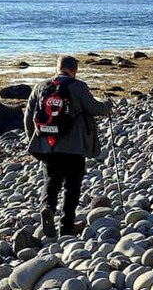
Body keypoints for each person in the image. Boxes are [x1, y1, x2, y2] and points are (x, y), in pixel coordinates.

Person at [24, 55, 110, 237]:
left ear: (57, 68)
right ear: (74, 71)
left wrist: (35, 141)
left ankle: (47, 207)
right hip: (73, 147)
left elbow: (28, 117)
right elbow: (94, 108)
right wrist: (107, 106)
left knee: (51, 182)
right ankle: (66, 226)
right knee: (72, 187)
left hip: (49, 146)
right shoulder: (78, 87)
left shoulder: (40, 87)